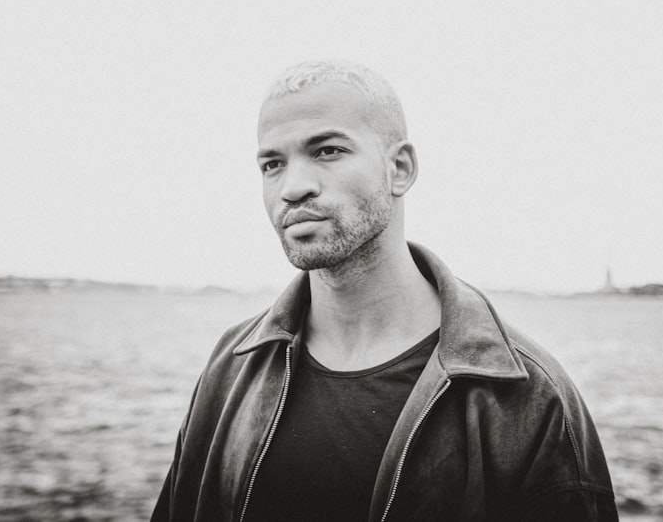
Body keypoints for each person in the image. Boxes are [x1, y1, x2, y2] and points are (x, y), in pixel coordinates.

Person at [151, 60, 618, 521]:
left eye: (328, 150)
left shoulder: (525, 396)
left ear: (400, 168)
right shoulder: (232, 366)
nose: (293, 187)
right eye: (272, 163)